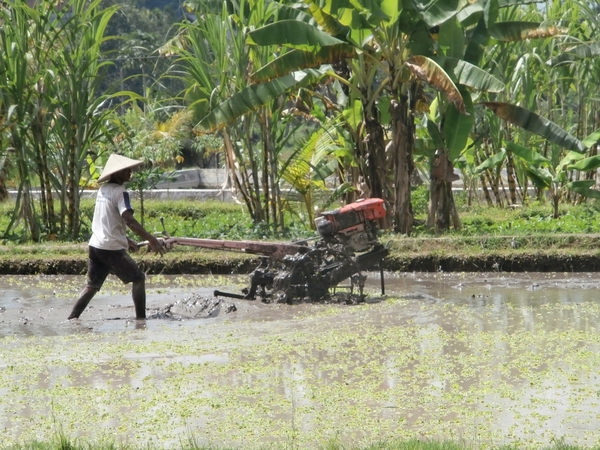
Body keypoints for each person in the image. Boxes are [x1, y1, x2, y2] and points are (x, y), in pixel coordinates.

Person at [68, 154, 165, 320]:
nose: (130, 173)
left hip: (96, 245)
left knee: (92, 286)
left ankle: (72, 318)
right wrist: (152, 239)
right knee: (139, 278)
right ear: (116, 173)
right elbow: (129, 220)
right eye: (126, 170)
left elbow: (107, 219)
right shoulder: (121, 192)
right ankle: (141, 320)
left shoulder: (103, 190)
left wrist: (126, 240)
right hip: (110, 248)